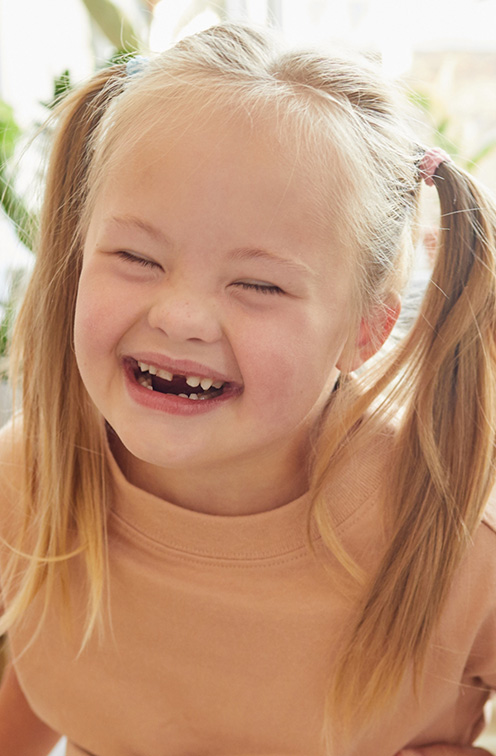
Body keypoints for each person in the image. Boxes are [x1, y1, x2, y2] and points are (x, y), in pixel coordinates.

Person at [0, 22, 495, 756]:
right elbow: (47, 679)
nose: (180, 315)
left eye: (258, 283)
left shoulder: (450, 534)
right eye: (137, 256)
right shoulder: (28, 480)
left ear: (364, 329)